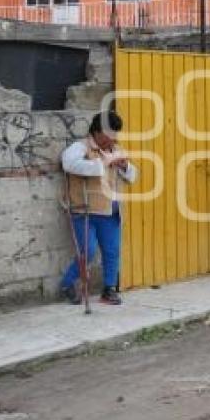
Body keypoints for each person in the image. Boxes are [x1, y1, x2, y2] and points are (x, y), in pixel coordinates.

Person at [60, 111, 138, 306]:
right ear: (96, 132)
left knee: (112, 251)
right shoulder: (79, 147)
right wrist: (102, 163)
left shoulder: (115, 149)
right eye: (109, 134)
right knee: (88, 250)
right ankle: (68, 283)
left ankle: (108, 289)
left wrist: (124, 165)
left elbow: (133, 176)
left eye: (115, 134)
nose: (113, 139)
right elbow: (69, 164)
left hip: (110, 211)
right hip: (84, 209)